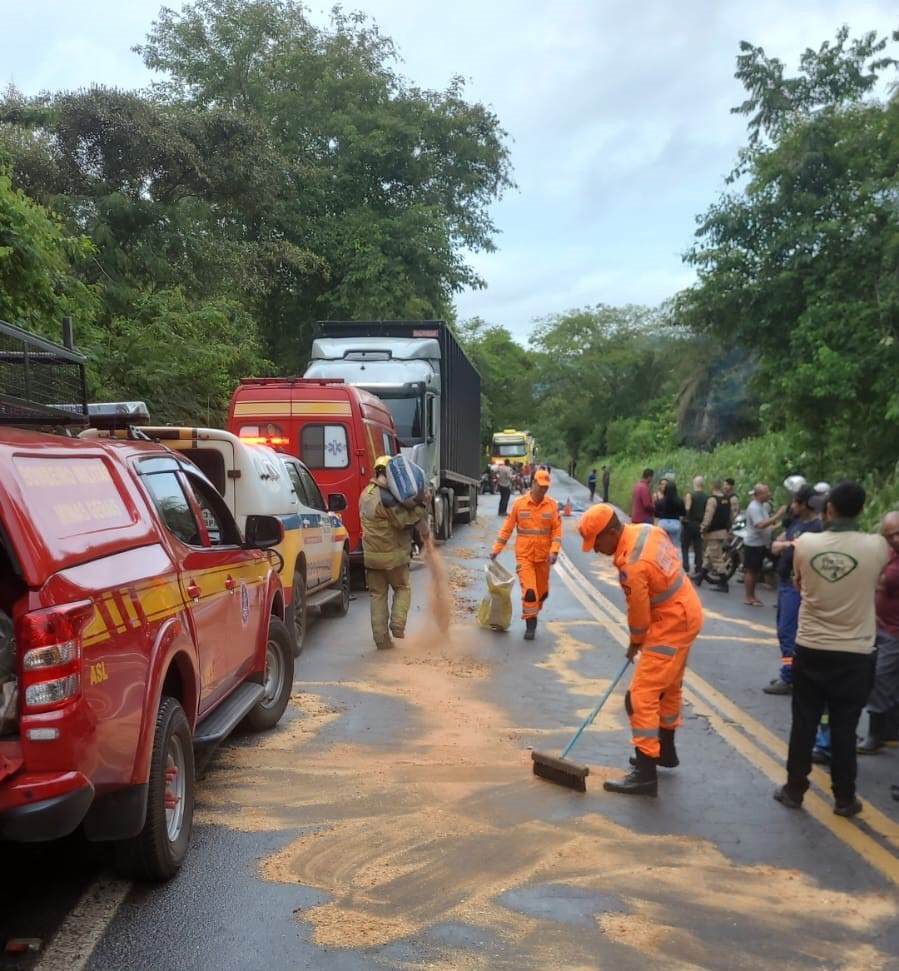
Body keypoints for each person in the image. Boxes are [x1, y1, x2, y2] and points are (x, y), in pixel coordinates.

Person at [774, 481, 889, 817]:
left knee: (804, 722)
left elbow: (797, 582)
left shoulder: (807, 543)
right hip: (855, 652)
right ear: (862, 510)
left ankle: (794, 789)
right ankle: (844, 797)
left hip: (811, 646)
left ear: (830, 509)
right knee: (844, 726)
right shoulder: (878, 546)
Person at [577, 504, 704, 797]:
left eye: (597, 542)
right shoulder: (646, 530)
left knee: (640, 697)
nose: (596, 549)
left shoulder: (633, 564)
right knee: (669, 686)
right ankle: (665, 752)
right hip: (687, 610)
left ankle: (645, 773)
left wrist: (636, 640)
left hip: (671, 622)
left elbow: (639, 613)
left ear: (611, 532)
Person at [359, 456, 431, 650]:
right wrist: (423, 505)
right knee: (403, 588)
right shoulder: (388, 498)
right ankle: (398, 625)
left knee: (377, 596)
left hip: (372, 557)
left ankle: (381, 640)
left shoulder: (366, 493)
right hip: (394, 557)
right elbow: (403, 521)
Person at [764, 484, 822, 695]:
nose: (792, 505)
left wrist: (787, 545)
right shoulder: (797, 524)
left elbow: (789, 546)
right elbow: (776, 546)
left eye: (795, 502)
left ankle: (788, 676)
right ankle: (791, 672)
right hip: (785, 583)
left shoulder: (817, 528)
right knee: (784, 630)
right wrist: (789, 544)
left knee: (789, 632)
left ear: (804, 504)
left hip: (797, 585)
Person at [490, 469, 562, 641]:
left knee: (542, 593)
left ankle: (535, 609)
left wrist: (554, 552)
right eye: (541, 486)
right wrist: (496, 549)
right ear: (533, 483)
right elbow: (507, 529)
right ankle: (530, 624)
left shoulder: (551, 506)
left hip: (544, 558)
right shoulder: (519, 504)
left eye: (546, 487)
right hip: (525, 556)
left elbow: (557, 531)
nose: (543, 490)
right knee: (530, 592)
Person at [856, 510, 899, 753]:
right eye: (889, 535)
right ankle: (888, 729)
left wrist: (876, 577)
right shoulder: (889, 551)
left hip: (895, 630)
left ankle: (875, 735)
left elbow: (884, 581)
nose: (894, 539)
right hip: (880, 623)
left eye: (897, 534)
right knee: (882, 677)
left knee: (881, 679)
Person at [742, 483, 785, 607]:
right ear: (759, 494)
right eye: (767, 492)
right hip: (753, 544)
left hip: (760, 543)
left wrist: (777, 526)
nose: (769, 494)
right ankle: (749, 597)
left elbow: (764, 526)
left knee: (755, 570)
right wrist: (777, 515)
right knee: (751, 570)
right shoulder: (754, 507)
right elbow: (759, 525)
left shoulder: (761, 506)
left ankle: (752, 596)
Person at [695, 480, 731, 592]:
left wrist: (703, 528)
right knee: (709, 555)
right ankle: (700, 577)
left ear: (712, 487)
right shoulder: (726, 499)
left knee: (716, 559)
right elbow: (730, 516)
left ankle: (724, 583)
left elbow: (708, 516)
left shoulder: (712, 500)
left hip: (713, 533)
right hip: (722, 531)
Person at [681, 475, 708, 574]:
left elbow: (687, 509)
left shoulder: (690, 495)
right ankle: (698, 567)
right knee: (698, 547)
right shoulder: (707, 497)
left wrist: (684, 519)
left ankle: (686, 566)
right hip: (700, 524)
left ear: (694, 484)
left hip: (690, 523)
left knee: (685, 546)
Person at [654, 479, 685, 548]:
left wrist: (656, 527)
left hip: (663, 524)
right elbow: (683, 515)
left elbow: (656, 516)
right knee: (673, 547)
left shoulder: (660, 502)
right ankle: (672, 557)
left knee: (662, 546)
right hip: (675, 524)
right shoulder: (680, 501)